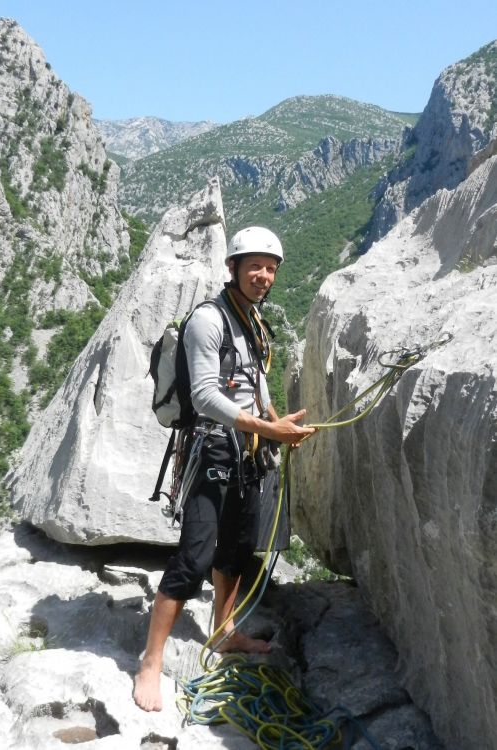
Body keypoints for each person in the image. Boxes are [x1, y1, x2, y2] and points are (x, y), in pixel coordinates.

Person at [133, 226, 316, 712]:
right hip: (211, 449)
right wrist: (268, 428)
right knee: (194, 556)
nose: (264, 276)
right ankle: (151, 662)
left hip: (248, 451)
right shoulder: (208, 320)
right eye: (255, 266)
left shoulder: (252, 321)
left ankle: (223, 632)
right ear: (233, 268)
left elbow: (256, 383)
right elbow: (204, 396)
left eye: (271, 269)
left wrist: (279, 424)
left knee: (236, 547)